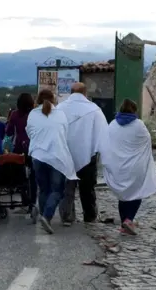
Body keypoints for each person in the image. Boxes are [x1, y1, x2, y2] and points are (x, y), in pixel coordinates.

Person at [100, 99, 156, 235]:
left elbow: (106, 142)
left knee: (123, 196)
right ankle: (129, 220)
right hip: (135, 165)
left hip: (118, 166)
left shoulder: (113, 124)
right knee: (136, 192)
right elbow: (147, 141)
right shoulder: (139, 125)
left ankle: (124, 223)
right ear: (134, 110)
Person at [56, 82, 108, 226]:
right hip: (88, 155)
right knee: (87, 188)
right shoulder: (94, 110)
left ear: (71, 92)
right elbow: (103, 133)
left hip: (65, 153)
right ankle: (90, 216)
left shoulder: (60, 108)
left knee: (67, 187)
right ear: (85, 93)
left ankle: (67, 216)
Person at [27, 89, 77, 234]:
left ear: (38, 100)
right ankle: (47, 217)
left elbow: (30, 133)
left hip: (38, 155)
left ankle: (44, 216)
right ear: (54, 99)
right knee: (57, 190)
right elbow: (64, 134)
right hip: (56, 156)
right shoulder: (60, 114)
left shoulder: (32, 114)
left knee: (43, 189)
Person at [5, 93, 37, 208]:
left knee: (20, 175)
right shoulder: (35, 114)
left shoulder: (14, 114)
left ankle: (24, 198)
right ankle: (33, 201)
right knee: (33, 175)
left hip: (19, 147)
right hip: (34, 147)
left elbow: (9, 132)